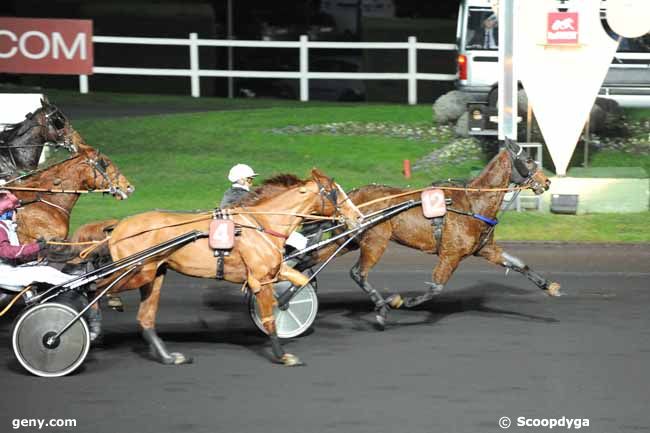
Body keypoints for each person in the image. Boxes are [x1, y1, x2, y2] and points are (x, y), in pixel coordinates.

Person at [0, 190, 101, 340]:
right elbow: (7, 252)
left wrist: (42, 250)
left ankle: (74, 279)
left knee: (48, 264)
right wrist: (37, 247)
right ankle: (76, 281)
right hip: (4, 274)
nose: (18, 215)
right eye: (15, 211)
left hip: (10, 269)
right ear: (8, 212)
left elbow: (16, 255)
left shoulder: (7, 228)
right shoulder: (1, 228)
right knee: (44, 272)